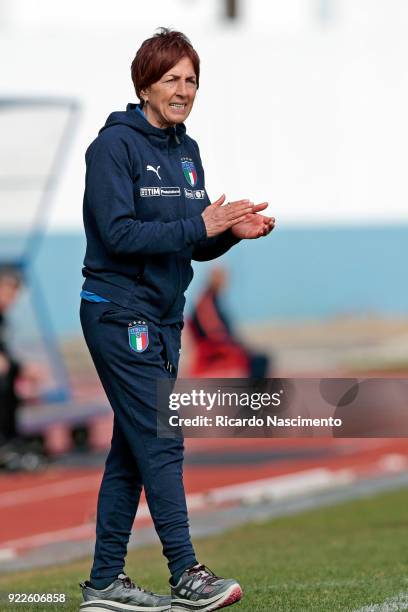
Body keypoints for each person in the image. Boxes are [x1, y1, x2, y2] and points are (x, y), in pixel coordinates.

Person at [79, 28, 275, 612]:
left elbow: (191, 240)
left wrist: (229, 235)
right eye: (172, 79)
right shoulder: (113, 148)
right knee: (162, 438)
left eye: (191, 80)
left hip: (164, 318)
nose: (183, 90)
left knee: (133, 451)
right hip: (119, 312)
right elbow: (118, 234)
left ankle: (105, 584)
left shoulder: (186, 152)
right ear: (145, 83)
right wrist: (201, 227)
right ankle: (186, 572)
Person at [189, 267, 270, 378]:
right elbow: (214, 332)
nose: (225, 282)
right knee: (259, 361)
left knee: (259, 358)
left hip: (223, 345)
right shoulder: (206, 301)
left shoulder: (213, 299)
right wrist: (234, 345)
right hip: (216, 348)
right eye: (223, 278)